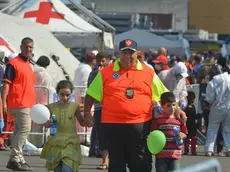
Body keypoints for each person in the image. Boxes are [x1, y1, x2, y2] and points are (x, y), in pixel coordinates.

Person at [83, 39, 186, 172]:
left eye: (130, 52)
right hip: (114, 127)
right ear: (119, 54)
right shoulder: (105, 73)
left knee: (141, 165)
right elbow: (90, 94)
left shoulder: (148, 72)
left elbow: (163, 94)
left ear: (136, 54)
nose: (127, 55)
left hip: (140, 126)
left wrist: (176, 109)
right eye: (124, 52)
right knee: (116, 167)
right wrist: (86, 113)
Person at [2, 37, 35, 171]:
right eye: (26, 46)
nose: (28, 49)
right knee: (24, 130)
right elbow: (6, 84)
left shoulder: (28, 64)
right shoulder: (13, 63)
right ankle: (15, 158)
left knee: (18, 131)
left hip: (25, 103)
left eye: (31, 47)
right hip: (19, 103)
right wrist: (4, 102)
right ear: (21, 47)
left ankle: (18, 159)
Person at [40, 80, 85, 172]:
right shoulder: (50, 107)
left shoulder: (75, 106)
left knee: (67, 168)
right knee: (57, 169)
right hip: (55, 142)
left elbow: (82, 122)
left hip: (71, 142)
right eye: (62, 94)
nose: (65, 97)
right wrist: (47, 123)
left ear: (72, 92)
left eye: (68, 94)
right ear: (57, 93)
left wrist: (90, 121)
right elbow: (45, 124)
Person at [151, 92, 188, 172]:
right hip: (161, 155)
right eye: (168, 105)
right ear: (162, 105)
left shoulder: (179, 119)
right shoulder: (157, 120)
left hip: (175, 155)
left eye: (174, 105)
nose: (172, 108)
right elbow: (153, 135)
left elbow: (185, 132)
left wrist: (182, 134)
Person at [88, 52, 110, 169]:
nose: (101, 63)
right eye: (99, 61)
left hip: (113, 108)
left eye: (103, 61)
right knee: (102, 135)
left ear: (108, 61)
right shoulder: (93, 73)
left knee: (114, 134)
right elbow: (90, 90)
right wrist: (98, 75)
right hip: (100, 107)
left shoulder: (114, 72)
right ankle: (105, 160)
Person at [204, 64, 230, 156]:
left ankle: (209, 150)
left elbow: (210, 99)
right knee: (227, 129)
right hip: (229, 107)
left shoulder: (212, 83)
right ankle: (229, 149)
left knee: (212, 128)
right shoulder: (229, 78)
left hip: (217, 108)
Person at [184, 91, 201, 155]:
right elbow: (194, 116)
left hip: (186, 123)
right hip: (192, 123)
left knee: (187, 138)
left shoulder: (185, 106)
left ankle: (186, 151)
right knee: (194, 137)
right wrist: (199, 115)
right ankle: (193, 151)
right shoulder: (192, 106)